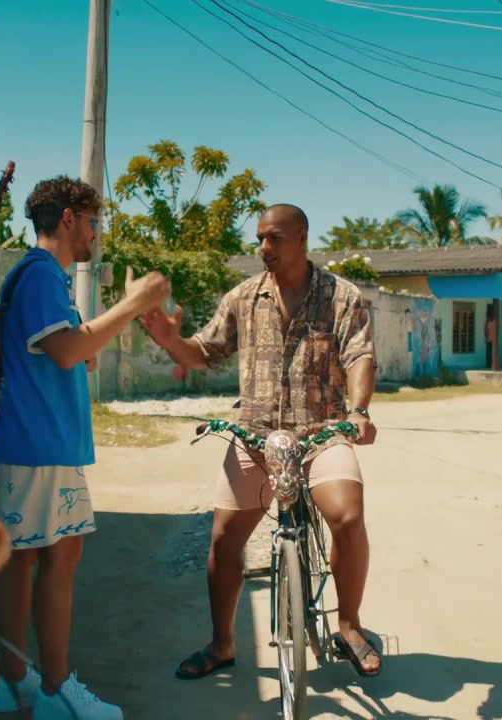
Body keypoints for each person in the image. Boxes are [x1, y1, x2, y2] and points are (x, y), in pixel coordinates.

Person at [139, 203, 384, 679]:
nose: (264, 248)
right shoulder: (244, 297)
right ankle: (222, 643)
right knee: (223, 539)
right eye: (260, 239)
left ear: (302, 238)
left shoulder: (342, 296)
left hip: (322, 433)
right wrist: (171, 341)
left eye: (275, 238)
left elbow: (359, 356)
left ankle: (349, 626)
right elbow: (204, 352)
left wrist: (359, 411)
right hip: (255, 435)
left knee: (348, 517)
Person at [0, 175, 171, 719]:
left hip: (31, 438)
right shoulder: (43, 274)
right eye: (93, 221)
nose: (95, 233)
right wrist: (132, 304)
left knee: (22, 558)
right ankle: (57, 694)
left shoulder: (34, 275)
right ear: (68, 218)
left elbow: (66, 349)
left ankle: (13, 681)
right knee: (60, 557)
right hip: (41, 441)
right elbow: (67, 352)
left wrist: (89, 341)